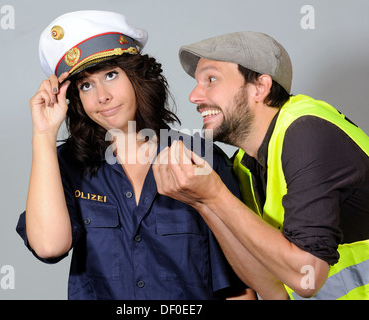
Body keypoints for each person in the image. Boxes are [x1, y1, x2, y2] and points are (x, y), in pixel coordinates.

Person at [16, 10, 254, 300]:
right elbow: (50, 247)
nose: (102, 96)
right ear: (75, 99)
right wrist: (42, 135)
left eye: (111, 75)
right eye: (86, 85)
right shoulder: (66, 164)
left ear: (137, 77)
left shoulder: (201, 157)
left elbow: (238, 285)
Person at [152, 31, 369, 300]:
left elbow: (306, 278)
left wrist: (215, 195)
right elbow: (274, 291)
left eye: (211, 79)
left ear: (260, 87)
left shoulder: (308, 132)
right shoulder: (245, 164)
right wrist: (203, 203)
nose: (194, 96)